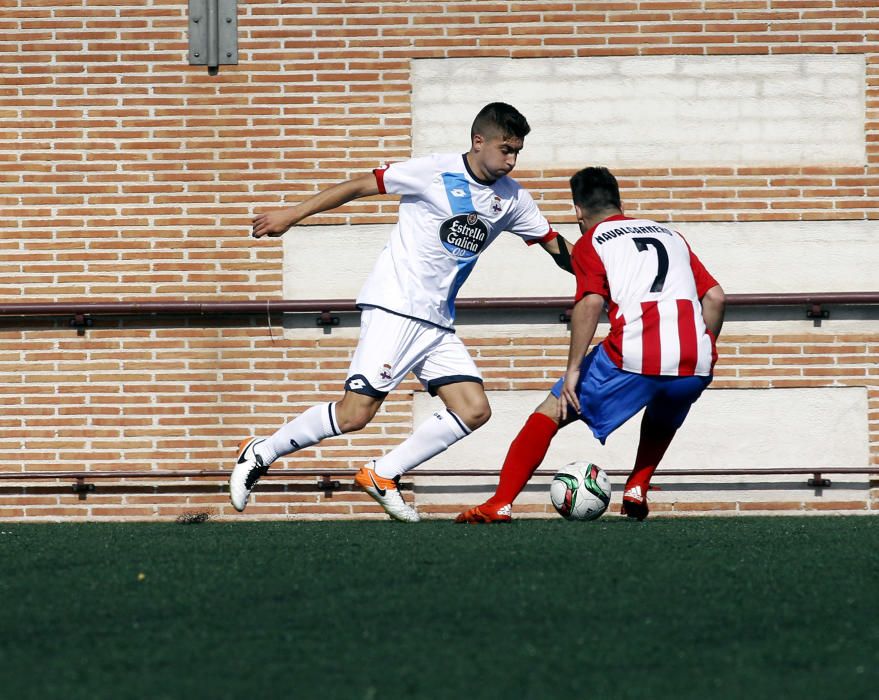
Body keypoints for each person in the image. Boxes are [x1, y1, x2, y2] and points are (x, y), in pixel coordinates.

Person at [230, 102, 574, 522]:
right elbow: (359, 185)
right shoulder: (432, 171)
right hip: (395, 306)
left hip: (437, 321)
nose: (511, 159)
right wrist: (292, 215)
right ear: (478, 141)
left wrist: (603, 279)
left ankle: (383, 473)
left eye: (517, 151)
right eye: (505, 149)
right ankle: (261, 451)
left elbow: (555, 245)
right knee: (355, 413)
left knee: (474, 410)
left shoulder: (513, 198)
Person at [455, 166, 725, 523]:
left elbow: (591, 303)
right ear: (620, 202)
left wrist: (572, 370)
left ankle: (499, 503)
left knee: (549, 413)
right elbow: (716, 297)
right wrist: (702, 345)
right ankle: (637, 487)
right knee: (665, 405)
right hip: (697, 360)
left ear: (578, 211)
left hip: (631, 355)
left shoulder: (593, 241)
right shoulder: (672, 235)